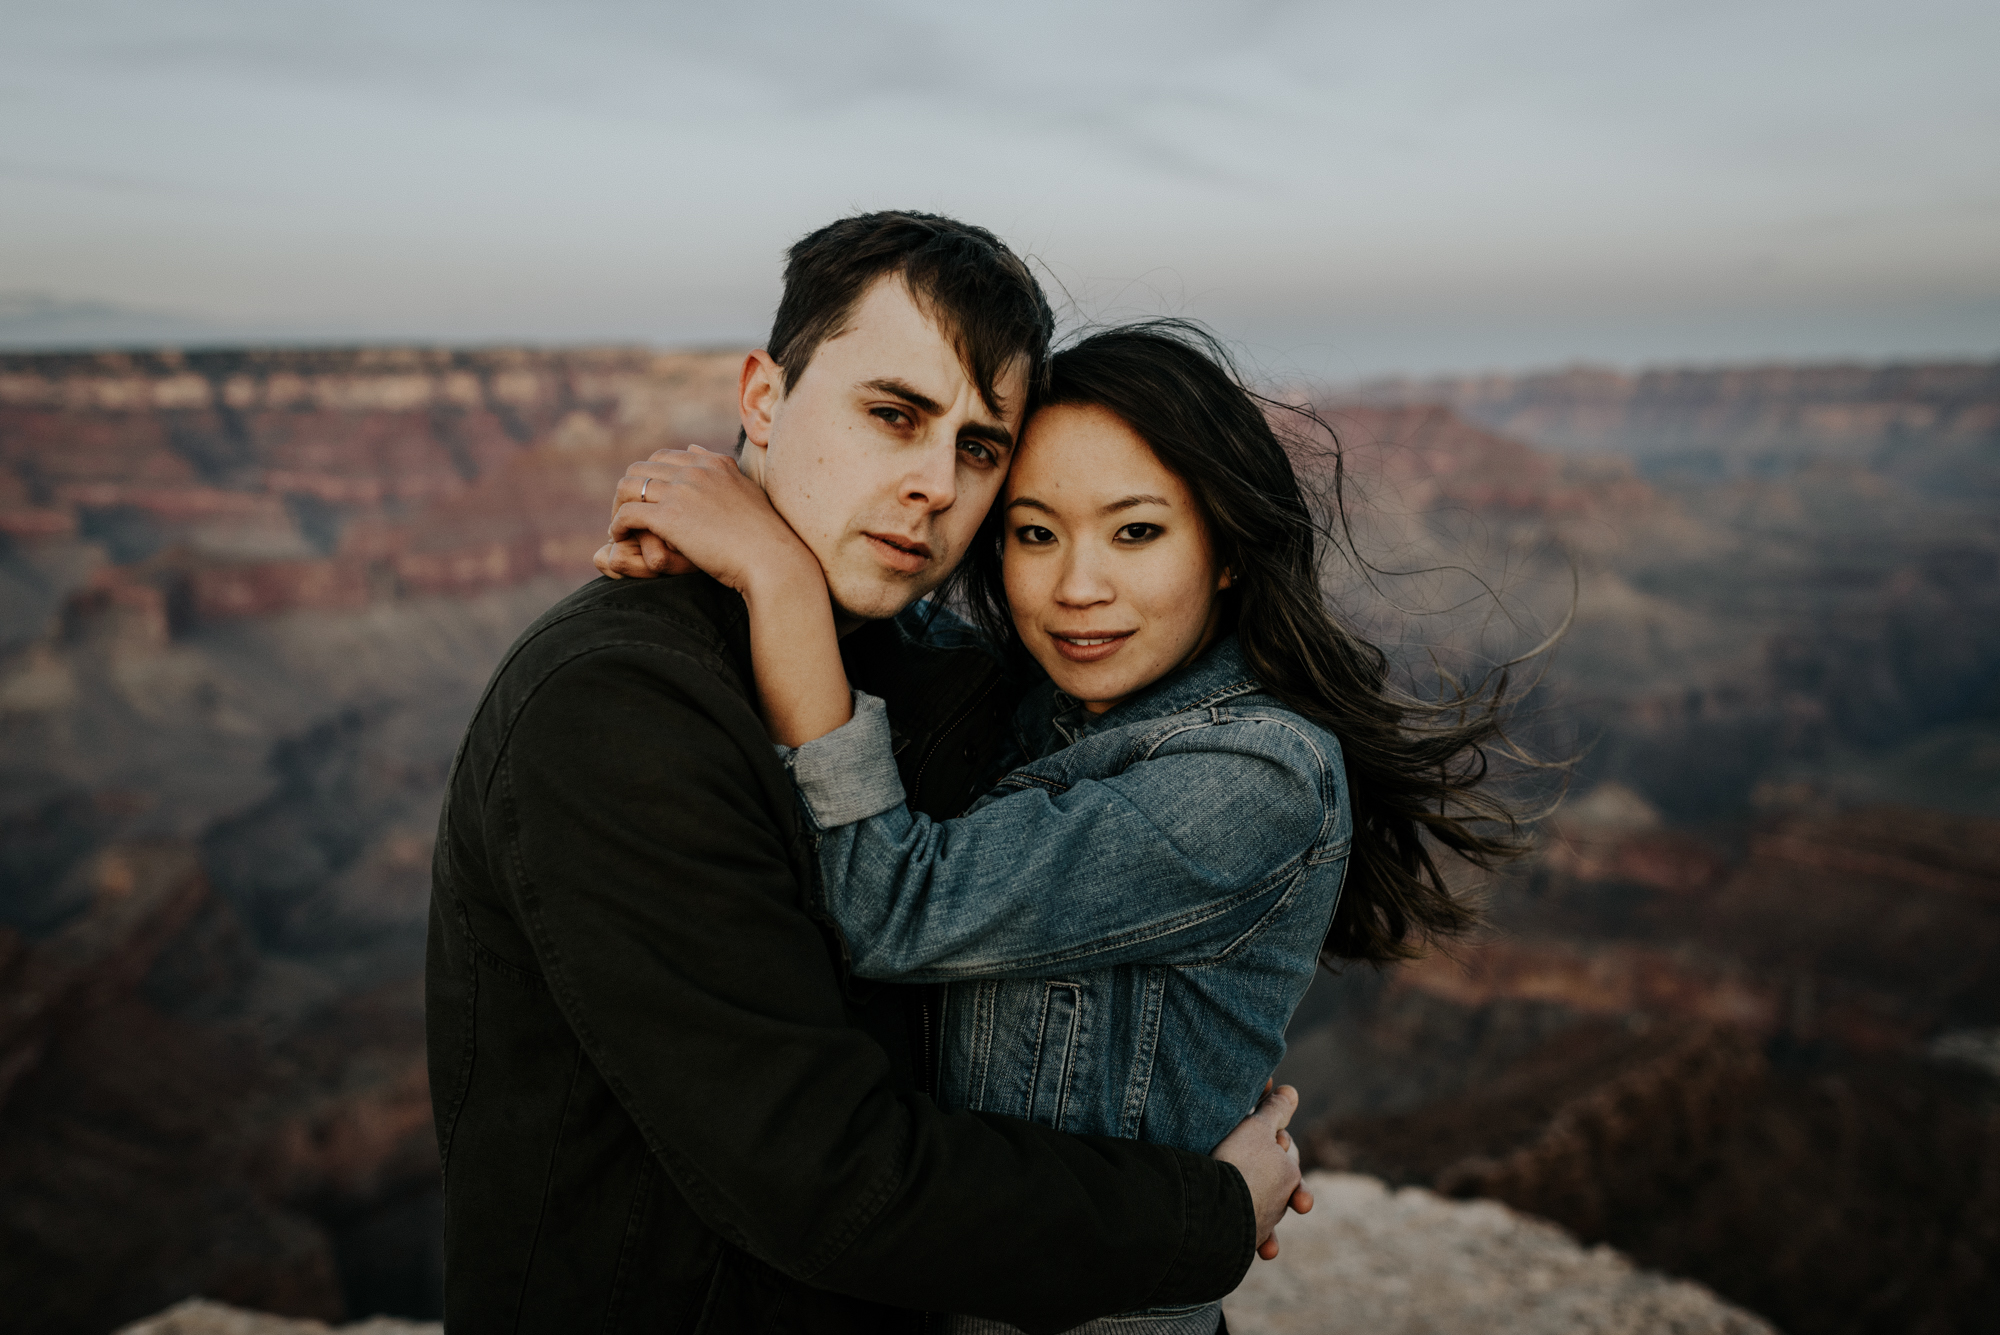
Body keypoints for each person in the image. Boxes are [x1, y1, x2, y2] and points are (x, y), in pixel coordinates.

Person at [427, 214, 1306, 1334]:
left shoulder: (908, 663)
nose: (933, 484)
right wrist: (1203, 1216)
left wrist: (1203, 1070)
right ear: (762, 399)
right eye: (893, 416)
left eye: (979, 449)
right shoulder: (616, 711)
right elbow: (825, 1180)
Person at [602, 322, 1534, 1334]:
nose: (1074, 589)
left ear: (1225, 551)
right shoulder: (1054, 702)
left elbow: (894, 907)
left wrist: (770, 573)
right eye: (1033, 533)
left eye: (1135, 532)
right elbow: (886, 619)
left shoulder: (1255, 776)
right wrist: (728, 529)